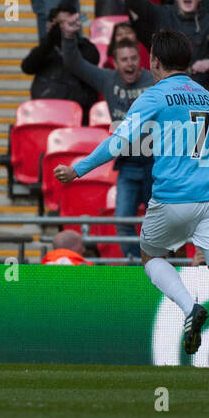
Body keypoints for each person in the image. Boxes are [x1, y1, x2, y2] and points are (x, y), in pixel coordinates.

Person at [55, 28, 209, 378]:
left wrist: (77, 169)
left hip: (173, 196)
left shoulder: (154, 96)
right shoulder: (204, 97)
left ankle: (190, 308)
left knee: (151, 256)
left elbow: (119, 142)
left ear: (154, 61)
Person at [60, 25, 156, 256]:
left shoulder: (155, 80)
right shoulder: (108, 79)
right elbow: (74, 63)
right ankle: (136, 264)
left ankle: (162, 266)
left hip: (156, 165)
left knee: (159, 226)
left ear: (141, 60)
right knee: (122, 222)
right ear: (115, 62)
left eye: (134, 58)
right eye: (124, 60)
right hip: (128, 166)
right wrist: (69, 36)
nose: (130, 64)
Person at [22, 2, 101, 119]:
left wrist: (71, 41)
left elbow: (93, 59)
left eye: (69, 23)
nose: (65, 27)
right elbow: (27, 67)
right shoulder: (45, 50)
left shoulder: (85, 47)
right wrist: (50, 40)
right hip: (45, 113)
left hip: (78, 114)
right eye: (60, 24)